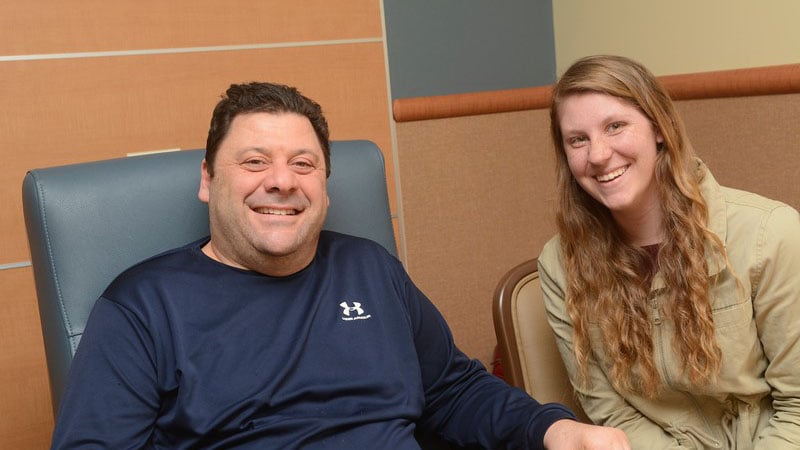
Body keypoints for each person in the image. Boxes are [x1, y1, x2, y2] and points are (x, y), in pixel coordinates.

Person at [50, 81, 630, 449]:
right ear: (208, 179)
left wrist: (554, 428)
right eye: (254, 161)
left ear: (325, 188)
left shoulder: (369, 269)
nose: (281, 180)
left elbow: (453, 391)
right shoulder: (142, 307)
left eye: (303, 164)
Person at [538, 54, 800, 449]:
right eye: (578, 139)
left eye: (615, 126)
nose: (597, 155)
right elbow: (612, 412)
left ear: (659, 128)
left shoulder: (770, 234)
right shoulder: (561, 266)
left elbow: (796, 407)